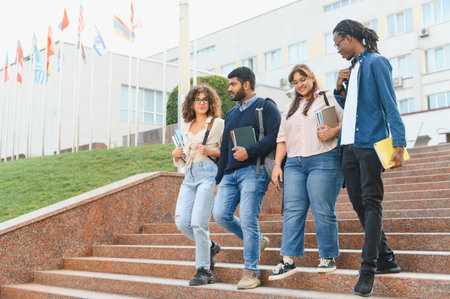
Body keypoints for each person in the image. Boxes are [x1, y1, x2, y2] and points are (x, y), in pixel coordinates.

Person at [332, 19, 406, 297]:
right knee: (357, 202)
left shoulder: (376, 62)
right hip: (348, 147)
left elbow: (389, 103)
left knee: (371, 203)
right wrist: (340, 89)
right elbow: (351, 110)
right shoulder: (352, 69)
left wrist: (399, 142)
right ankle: (386, 257)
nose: (337, 49)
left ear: (349, 38)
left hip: (369, 146)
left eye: (338, 43)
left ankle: (368, 269)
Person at [268, 64, 344, 281]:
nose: (300, 84)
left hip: (324, 158)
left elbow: (346, 121)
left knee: (322, 208)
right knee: (293, 210)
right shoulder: (290, 107)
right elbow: (281, 138)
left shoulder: (328, 98)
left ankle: (327, 257)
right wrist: (277, 165)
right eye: (295, 81)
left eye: (303, 79)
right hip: (294, 163)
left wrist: (334, 130)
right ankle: (288, 261)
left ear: (312, 78)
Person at [213, 66, 281, 289]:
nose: (229, 88)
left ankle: (251, 272)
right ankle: (258, 241)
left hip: (255, 171)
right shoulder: (231, 114)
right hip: (230, 174)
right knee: (221, 215)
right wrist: (219, 177)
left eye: (233, 84)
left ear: (246, 85)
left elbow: (275, 136)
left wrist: (249, 151)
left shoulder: (266, 106)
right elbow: (224, 149)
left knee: (249, 220)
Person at [172, 85, 224, 286]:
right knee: (182, 222)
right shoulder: (186, 126)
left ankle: (204, 270)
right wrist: (176, 155)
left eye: (205, 100)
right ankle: (210, 246)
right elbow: (184, 156)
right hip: (189, 176)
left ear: (210, 103)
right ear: (191, 104)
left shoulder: (218, 123)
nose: (201, 103)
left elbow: (225, 151)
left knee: (198, 223)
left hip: (208, 175)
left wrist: (210, 150)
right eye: (197, 100)